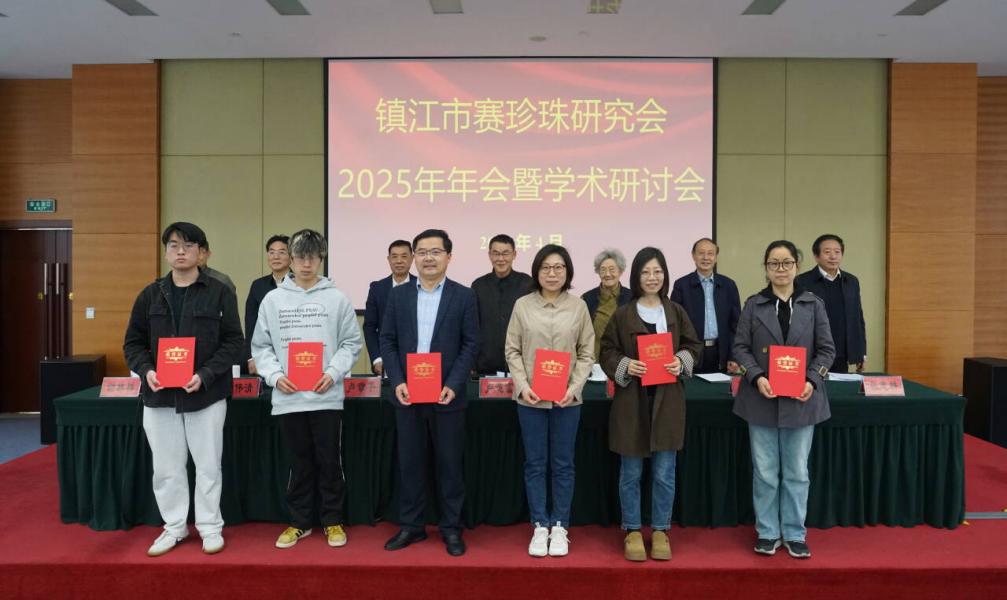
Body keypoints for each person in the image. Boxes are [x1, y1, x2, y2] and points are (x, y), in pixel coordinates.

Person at [122, 222, 243, 557]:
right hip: (159, 396)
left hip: (205, 395)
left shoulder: (219, 292)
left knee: (208, 466)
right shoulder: (149, 294)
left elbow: (234, 342)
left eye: (188, 246)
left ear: (202, 253)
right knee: (166, 468)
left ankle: (209, 526)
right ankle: (174, 527)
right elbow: (132, 343)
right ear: (165, 252)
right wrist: (147, 370)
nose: (180, 251)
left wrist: (205, 374)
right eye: (174, 245)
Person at [251, 229, 362, 550]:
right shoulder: (273, 300)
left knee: (329, 461)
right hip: (288, 397)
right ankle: (299, 522)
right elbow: (261, 346)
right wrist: (274, 376)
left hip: (326, 396)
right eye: (300, 257)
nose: (306, 264)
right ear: (290, 258)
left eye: (313, 257)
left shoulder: (337, 298)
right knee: (298, 463)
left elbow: (351, 343)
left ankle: (332, 520)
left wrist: (333, 372)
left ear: (321, 258)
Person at [732, 240, 835, 559]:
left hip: (802, 400)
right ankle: (767, 532)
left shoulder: (813, 304)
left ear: (797, 266)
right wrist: (756, 376)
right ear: (766, 269)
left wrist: (812, 380)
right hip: (761, 399)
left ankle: (794, 532)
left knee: (796, 472)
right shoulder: (754, 305)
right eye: (773, 263)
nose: (780, 269)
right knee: (764, 472)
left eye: (786, 263)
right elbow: (740, 348)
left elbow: (827, 350)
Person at [380, 229, 479, 557]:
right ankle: (412, 526)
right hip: (407, 395)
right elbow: (387, 341)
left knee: (450, 465)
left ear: (449, 256)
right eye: (421, 252)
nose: (428, 258)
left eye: (435, 251)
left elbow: (470, 344)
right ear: (414, 258)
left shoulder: (464, 296)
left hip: (447, 395)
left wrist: (453, 383)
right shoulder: (398, 295)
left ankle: (451, 528)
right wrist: (397, 380)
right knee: (410, 464)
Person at [600, 247, 702, 562]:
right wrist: (625, 365)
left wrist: (680, 360)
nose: (652, 277)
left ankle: (660, 529)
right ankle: (632, 529)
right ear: (636, 276)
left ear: (665, 275)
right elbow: (606, 350)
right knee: (630, 473)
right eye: (645, 272)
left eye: (657, 271)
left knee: (664, 473)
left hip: (667, 401)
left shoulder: (676, 312)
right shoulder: (623, 314)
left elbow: (693, 345)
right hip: (632, 403)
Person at [505, 244, 594, 558]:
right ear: (536, 272)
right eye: (546, 267)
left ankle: (559, 525)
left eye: (558, 267)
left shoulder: (578, 307)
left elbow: (587, 353)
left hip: (567, 401)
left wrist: (575, 387)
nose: (552, 273)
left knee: (563, 464)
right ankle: (539, 524)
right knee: (535, 463)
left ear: (567, 271)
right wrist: (522, 386)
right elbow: (512, 350)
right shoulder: (522, 306)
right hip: (530, 399)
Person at [795, 234, 866, 373]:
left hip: (841, 352)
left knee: (838, 386)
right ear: (816, 256)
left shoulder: (851, 281)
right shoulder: (802, 281)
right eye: (827, 252)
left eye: (837, 252)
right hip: (812, 352)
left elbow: (858, 318)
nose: (833, 256)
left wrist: (861, 353)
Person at [671, 238, 741, 373]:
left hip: (721, 353)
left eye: (710, 253)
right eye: (701, 253)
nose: (706, 258)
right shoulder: (681, 285)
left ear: (716, 257)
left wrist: (733, 356)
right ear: (693, 256)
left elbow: (736, 325)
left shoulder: (728, 285)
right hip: (692, 352)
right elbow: (675, 324)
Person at [472, 234, 533, 375]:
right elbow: (473, 325)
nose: (500, 259)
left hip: (520, 365)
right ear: (489, 255)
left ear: (514, 254)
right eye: (496, 253)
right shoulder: (478, 285)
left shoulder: (527, 283)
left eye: (506, 253)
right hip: (485, 364)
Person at [363, 240, 416, 375]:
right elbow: (369, 327)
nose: (399, 261)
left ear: (412, 258)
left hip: (416, 360)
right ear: (388, 259)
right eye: (394, 256)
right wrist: (377, 359)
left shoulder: (421, 286)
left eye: (404, 256)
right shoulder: (377, 288)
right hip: (386, 361)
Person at [244, 234, 291, 375]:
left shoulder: (300, 283)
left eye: (282, 252)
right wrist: (251, 357)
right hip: (266, 352)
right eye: (271, 252)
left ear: (292, 256)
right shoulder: (258, 285)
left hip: (292, 350)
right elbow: (251, 323)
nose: (276, 257)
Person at [582, 248, 631, 358]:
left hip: (624, 360)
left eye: (612, 269)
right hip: (594, 360)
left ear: (620, 271)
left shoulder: (632, 298)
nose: (607, 274)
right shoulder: (587, 299)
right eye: (603, 270)